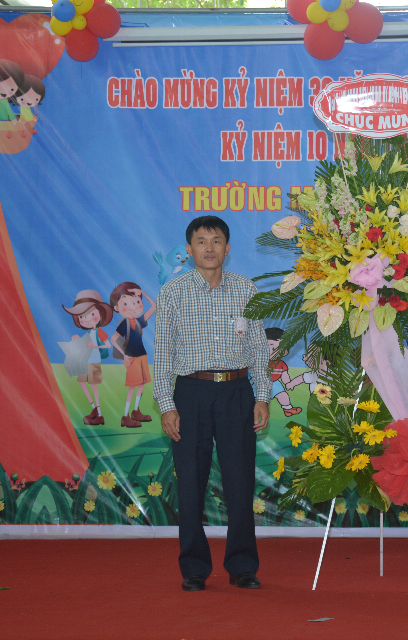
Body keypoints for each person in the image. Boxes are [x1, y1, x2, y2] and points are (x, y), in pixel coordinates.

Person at [153, 215, 271, 592]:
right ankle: (194, 568)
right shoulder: (173, 292)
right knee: (190, 482)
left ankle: (242, 566)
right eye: (201, 241)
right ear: (189, 250)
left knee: (240, 481)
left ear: (227, 248)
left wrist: (262, 396)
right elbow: (162, 354)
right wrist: (166, 404)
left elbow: (259, 349)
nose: (209, 248)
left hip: (237, 393)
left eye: (216, 241)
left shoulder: (245, 289)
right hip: (191, 393)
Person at [62, 290, 113, 426]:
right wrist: (77, 340)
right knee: (81, 381)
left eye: (91, 314)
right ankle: (94, 408)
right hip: (85, 361)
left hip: (94, 362)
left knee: (94, 386)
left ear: (100, 313)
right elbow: (85, 346)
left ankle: (100, 414)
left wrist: (95, 346)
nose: (86, 319)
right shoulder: (90, 332)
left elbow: (108, 345)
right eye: (81, 317)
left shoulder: (99, 332)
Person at [110, 282, 155, 428]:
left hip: (142, 355)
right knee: (132, 387)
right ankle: (125, 416)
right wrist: (124, 355)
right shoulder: (124, 323)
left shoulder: (139, 321)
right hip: (132, 357)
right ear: (117, 308)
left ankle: (136, 411)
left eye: (137, 302)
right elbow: (113, 339)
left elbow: (154, 306)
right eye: (126, 303)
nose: (133, 306)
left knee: (141, 384)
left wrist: (142, 292)